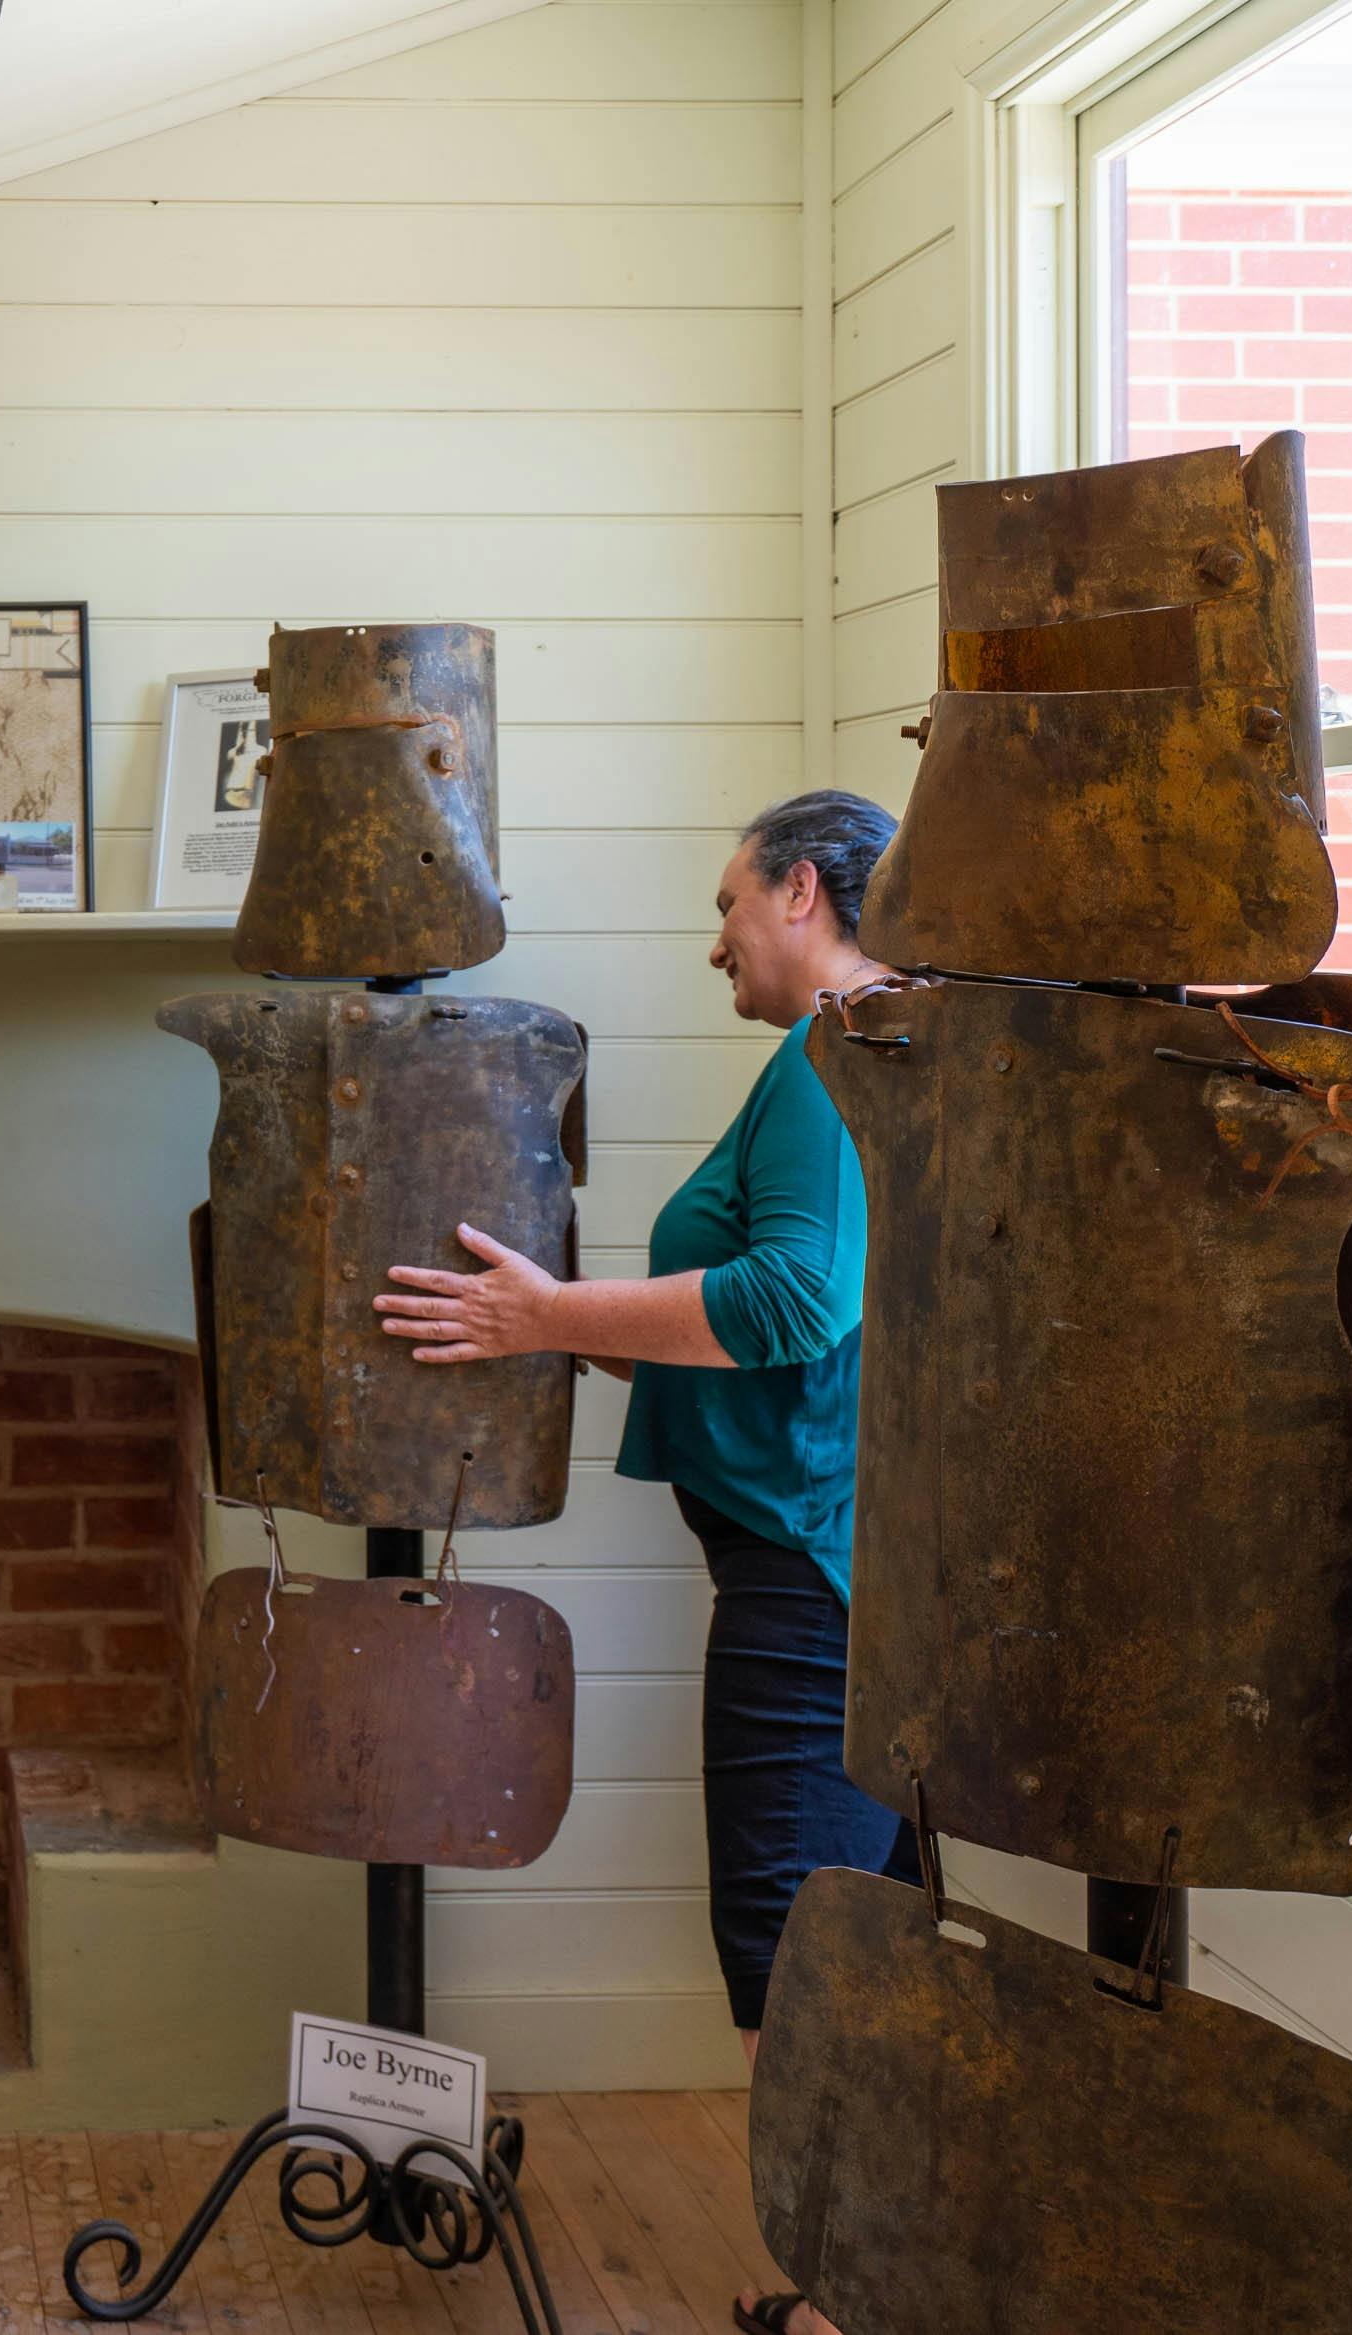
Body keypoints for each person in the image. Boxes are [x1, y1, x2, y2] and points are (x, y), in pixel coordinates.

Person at [375, 791, 907, 2335]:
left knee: (789, 1951)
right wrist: (541, 1330)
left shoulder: (831, 1060)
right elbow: (772, 1337)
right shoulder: (879, 1049)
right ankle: (875, 2283)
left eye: (733, 902)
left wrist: (549, 1319)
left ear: (802, 893)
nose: (717, 937)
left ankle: (837, 2304)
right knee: (854, 1948)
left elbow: (793, 1306)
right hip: (843, 1557)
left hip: (812, 1577)